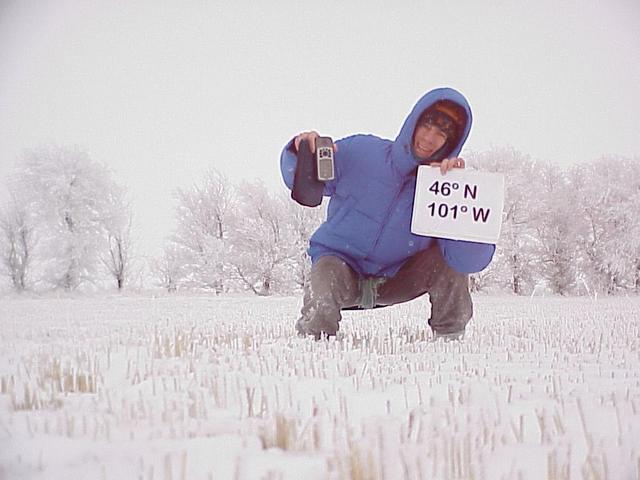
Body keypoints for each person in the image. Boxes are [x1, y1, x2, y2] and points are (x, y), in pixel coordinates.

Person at [280, 87, 495, 340]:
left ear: (452, 143)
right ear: (413, 122)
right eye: (426, 126)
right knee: (326, 270)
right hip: (341, 271)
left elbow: (466, 262)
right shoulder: (361, 151)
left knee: (446, 263)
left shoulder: (444, 187)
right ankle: (313, 340)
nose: (429, 138)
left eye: (442, 134)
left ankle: (450, 338)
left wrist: (458, 191)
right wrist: (302, 151)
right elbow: (302, 182)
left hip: (397, 280)